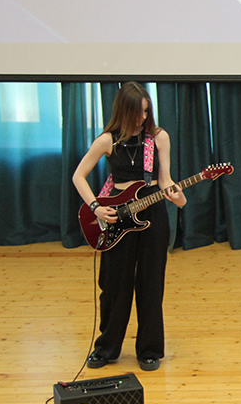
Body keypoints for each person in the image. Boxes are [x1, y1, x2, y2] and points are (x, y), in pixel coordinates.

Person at [72, 82, 187, 371]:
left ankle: (149, 350)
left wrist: (177, 196)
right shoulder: (106, 141)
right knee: (114, 285)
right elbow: (78, 176)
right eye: (137, 112)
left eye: (146, 112)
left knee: (151, 284)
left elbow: (165, 179)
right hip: (118, 215)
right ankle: (106, 348)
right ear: (124, 111)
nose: (142, 118)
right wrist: (96, 206)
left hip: (153, 214)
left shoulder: (158, 138)